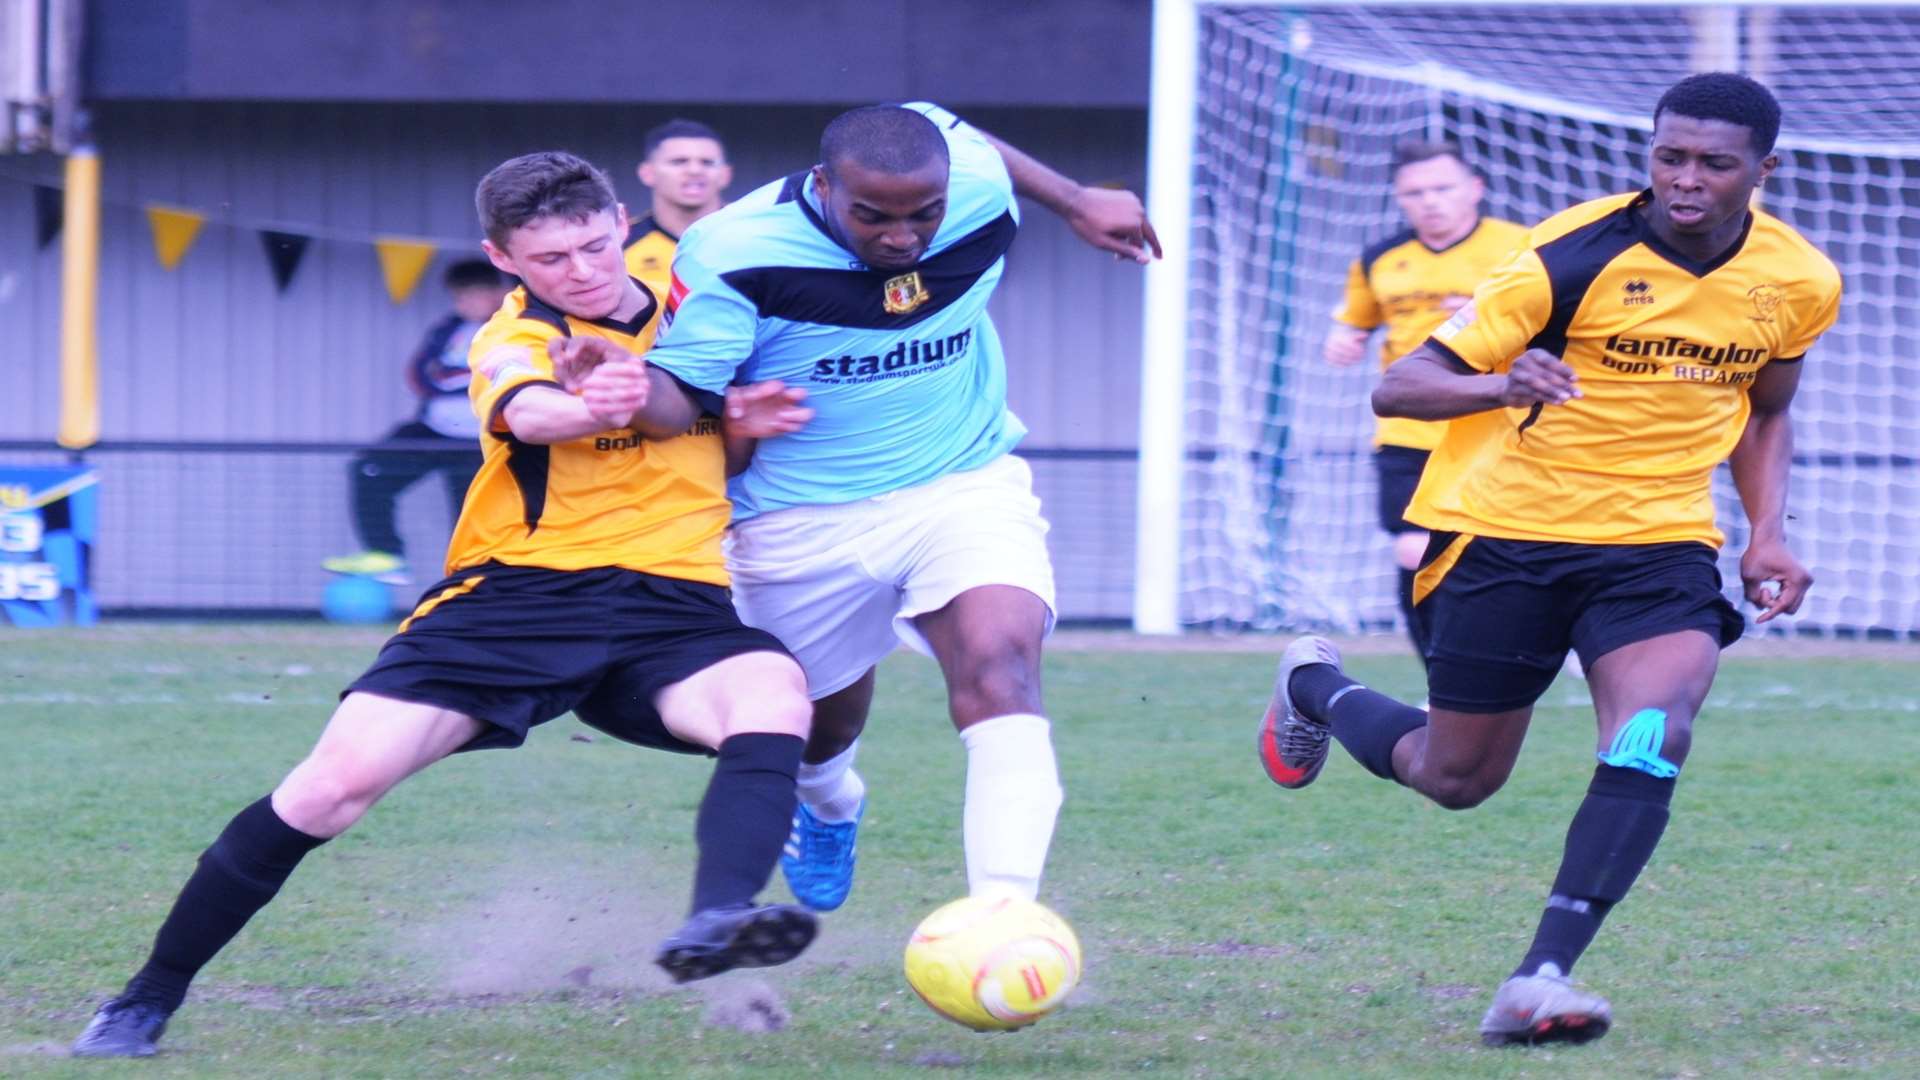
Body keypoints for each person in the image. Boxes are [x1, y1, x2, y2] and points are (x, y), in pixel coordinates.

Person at [71, 151, 820, 1058]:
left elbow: (705, 449)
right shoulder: (511, 335)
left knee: (775, 697)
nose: (580, 271)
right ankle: (144, 1000)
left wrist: (737, 424)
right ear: (503, 258)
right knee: (329, 793)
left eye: (591, 246)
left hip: (676, 602)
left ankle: (716, 920)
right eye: (550, 260)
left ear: (621, 220)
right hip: (518, 598)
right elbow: (534, 415)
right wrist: (595, 400)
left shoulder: (700, 309)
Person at [1256, 73, 1839, 1047]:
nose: (1686, 179)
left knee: (1655, 728)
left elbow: (1766, 409)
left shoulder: (1799, 280)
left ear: (1763, 171)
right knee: (1455, 778)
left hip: (1659, 547)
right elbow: (1399, 387)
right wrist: (1497, 383)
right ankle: (1314, 684)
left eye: (1714, 163)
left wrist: (1767, 528)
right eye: (1669, 157)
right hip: (1507, 538)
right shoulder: (1567, 255)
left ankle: (1540, 977)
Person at [592, 102, 1157, 915]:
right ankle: (828, 801)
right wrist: (625, 386)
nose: (901, 239)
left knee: (1001, 667)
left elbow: (948, 123)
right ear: (823, 186)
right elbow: (682, 395)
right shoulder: (731, 250)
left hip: (961, 481)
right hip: (794, 516)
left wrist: (1073, 200)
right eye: (873, 216)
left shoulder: (977, 188)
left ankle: (1003, 915)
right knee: (818, 725)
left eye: (923, 213)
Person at [1322, 142, 1527, 670]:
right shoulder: (1380, 259)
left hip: (1497, 428)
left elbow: (1562, 324)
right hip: (1408, 432)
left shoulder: (1522, 248)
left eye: (1442, 188)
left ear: (1475, 188)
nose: (1429, 201)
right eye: (1415, 192)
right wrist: (1343, 340)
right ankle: (1443, 676)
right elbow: (1355, 322)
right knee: (1415, 551)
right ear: (1399, 198)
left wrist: (1490, 313)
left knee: (1510, 552)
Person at [322, 259, 512, 586]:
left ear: (497, 293)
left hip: (481, 439)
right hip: (434, 432)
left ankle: (474, 586)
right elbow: (420, 374)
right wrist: (456, 379)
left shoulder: (512, 326)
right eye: (459, 297)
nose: (465, 304)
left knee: (471, 516)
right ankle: (386, 555)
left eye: (474, 295)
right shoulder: (447, 329)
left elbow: (500, 375)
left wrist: (453, 378)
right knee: (370, 469)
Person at [625, 118, 733, 301]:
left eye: (707, 163)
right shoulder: (620, 243)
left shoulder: (759, 236)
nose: (694, 170)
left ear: (725, 174)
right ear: (647, 173)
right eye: (679, 161)